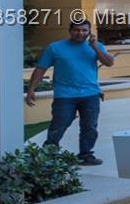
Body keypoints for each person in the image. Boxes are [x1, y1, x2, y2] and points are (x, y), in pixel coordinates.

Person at [25, 18, 115, 166]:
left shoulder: (96, 46)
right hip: (64, 95)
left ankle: (85, 155)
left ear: (89, 32)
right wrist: (31, 90)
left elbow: (109, 62)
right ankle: (49, 154)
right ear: (70, 31)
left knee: (90, 126)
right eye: (76, 30)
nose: (80, 33)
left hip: (90, 94)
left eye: (84, 30)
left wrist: (94, 47)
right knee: (59, 124)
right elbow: (41, 69)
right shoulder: (55, 48)